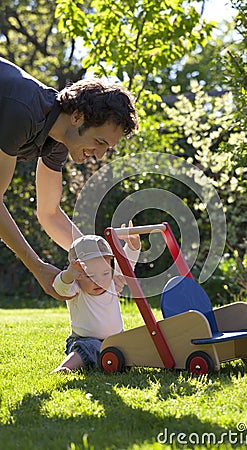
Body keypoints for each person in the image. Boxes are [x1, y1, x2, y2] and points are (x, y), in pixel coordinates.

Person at [0, 57, 138, 300]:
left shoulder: (58, 140)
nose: (99, 155)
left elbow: (49, 213)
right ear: (77, 116)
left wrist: (98, 262)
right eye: (99, 142)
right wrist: (38, 267)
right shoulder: (23, 113)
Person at [51, 224, 140, 373]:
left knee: (132, 344)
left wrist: (133, 247)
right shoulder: (76, 288)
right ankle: (65, 367)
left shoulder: (112, 282)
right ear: (77, 275)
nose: (98, 280)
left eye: (105, 273)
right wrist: (68, 275)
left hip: (115, 341)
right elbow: (60, 287)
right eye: (90, 276)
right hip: (85, 340)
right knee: (88, 348)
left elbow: (127, 264)